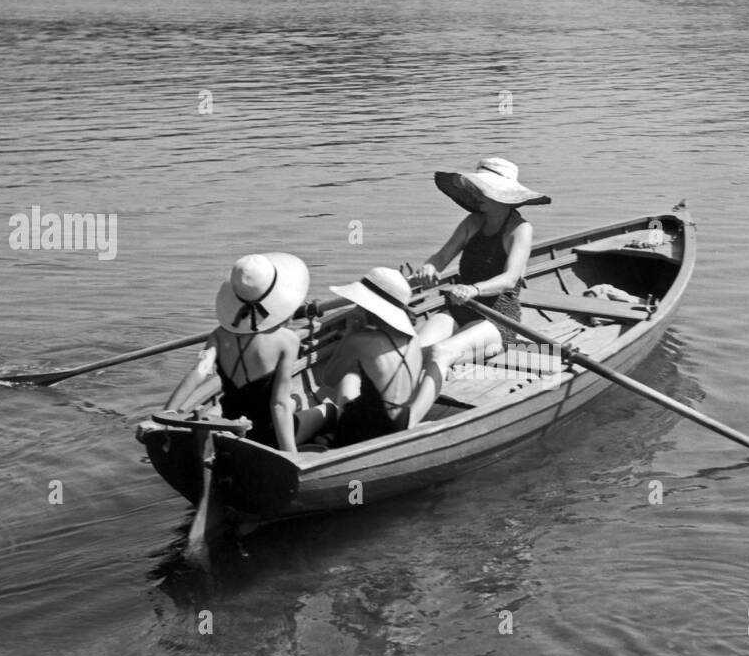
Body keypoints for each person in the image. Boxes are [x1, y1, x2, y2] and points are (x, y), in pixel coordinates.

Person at [163, 252, 313, 451]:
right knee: (326, 410)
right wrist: (290, 457)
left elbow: (198, 372)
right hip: (268, 438)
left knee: (292, 402)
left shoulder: (217, 336)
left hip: (230, 430)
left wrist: (165, 415)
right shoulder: (288, 341)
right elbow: (279, 405)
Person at [414, 157, 549, 375]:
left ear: (504, 195)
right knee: (414, 350)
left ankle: (415, 408)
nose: (476, 195)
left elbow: (510, 279)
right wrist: (429, 267)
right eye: (476, 189)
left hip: (497, 317)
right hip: (459, 307)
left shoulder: (520, 229)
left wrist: (474, 289)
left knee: (440, 352)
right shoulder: (472, 222)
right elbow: (441, 257)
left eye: (483, 190)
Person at [307, 267, 437, 447]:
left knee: (349, 376)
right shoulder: (413, 339)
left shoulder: (358, 340)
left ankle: (334, 434)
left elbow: (328, 380)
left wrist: (350, 333)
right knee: (362, 376)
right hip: (400, 421)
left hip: (368, 430)